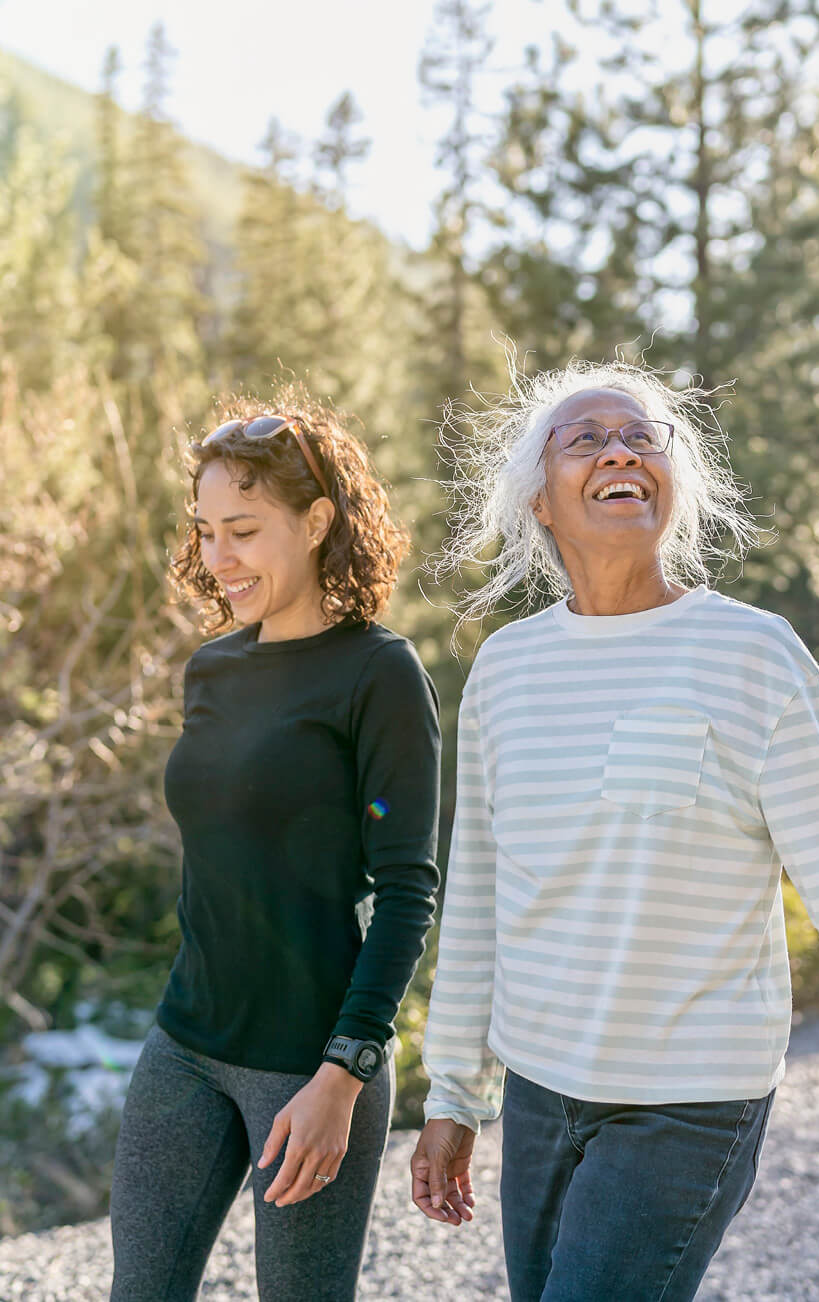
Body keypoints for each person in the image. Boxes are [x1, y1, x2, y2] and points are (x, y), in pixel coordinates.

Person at [410, 359, 819, 1301]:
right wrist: (456, 1096)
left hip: (689, 1098)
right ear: (540, 502)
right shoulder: (506, 671)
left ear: (673, 482)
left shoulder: (751, 654)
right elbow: (475, 896)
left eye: (641, 435)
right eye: (584, 439)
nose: (619, 449)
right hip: (542, 1093)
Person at [110, 391, 441, 1302]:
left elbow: (409, 889)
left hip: (309, 1066)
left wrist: (346, 1072)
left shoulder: (378, 673)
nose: (220, 559)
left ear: (317, 520)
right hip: (184, 1044)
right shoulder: (211, 668)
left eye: (245, 531)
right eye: (207, 532)